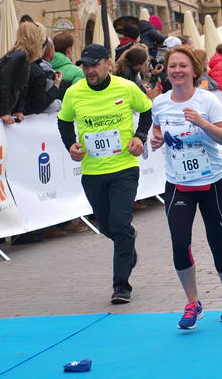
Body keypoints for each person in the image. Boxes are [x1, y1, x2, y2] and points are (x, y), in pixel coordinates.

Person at [149, 45, 222, 329]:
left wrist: (202, 123)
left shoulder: (207, 100)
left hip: (212, 183)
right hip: (178, 184)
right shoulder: (160, 103)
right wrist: (156, 139)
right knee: (179, 243)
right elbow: (158, 129)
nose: (177, 71)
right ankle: (192, 303)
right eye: (172, 66)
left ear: (194, 70)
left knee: (218, 243)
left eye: (183, 66)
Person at [57, 44, 152, 304]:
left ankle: (121, 286)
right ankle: (127, 241)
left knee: (119, 223)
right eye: (85, 66)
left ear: (108, 64)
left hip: (124, 168)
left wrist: (140, 136)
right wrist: (70, 145)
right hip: (92, 172)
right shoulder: (74, 92)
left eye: (94, 65)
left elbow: (146, 110)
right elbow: (64, 121)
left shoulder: (126, 87)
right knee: (108, 227)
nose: (89, 70)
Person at [0, 20, 48, 125]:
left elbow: (22, 86)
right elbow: (4, 85)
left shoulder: (22, 55)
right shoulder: (19, 56)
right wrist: (4, 112)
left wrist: (18, 109)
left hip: (5, 107)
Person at [24, 38, 63, 115]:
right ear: (51, 53)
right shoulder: (40, 73)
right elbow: (42, 105)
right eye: (54, 49)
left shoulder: (27, 65)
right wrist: (56, 86)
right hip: (32, 118)